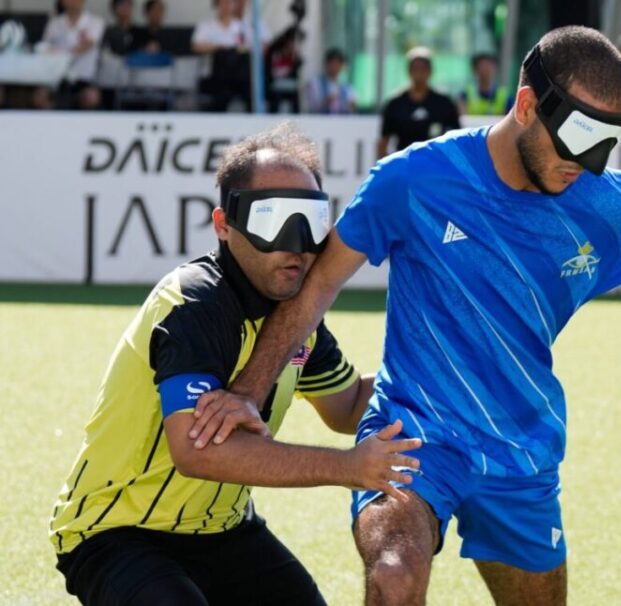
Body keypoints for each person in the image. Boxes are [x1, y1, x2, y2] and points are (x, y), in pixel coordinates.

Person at [196, 27, 621, 605]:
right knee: (394, 575)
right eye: (578, 138)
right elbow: (316, 290)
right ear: (529, 104)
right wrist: (249, 391)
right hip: (415, 438)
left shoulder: (606, 200)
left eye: (608, 142)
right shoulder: (414, 180)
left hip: (523, 452)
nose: (588, 165)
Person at [48, 124, 422, 605]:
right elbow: (198, 451)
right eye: (272, 218)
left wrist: (440, 369)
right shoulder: (193, 303)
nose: (298, 243)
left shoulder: (297, 319)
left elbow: (346, 405)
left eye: (310, 219)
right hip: (118, 532)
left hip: (224, 530)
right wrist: (349, 467)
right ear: (224, 224)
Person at [377, 46, 460, 158]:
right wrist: (389, 171)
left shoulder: (444, 102)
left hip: (436, 165)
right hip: (406, 166)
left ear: (430, 71)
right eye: (415, 68)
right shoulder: (395, 103)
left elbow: (456, 138)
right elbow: (383, 141)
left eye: (423, 68)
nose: (419, 73)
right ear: (408, 70)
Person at [40, 0, 104, 109]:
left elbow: (85, 46)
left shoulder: (95, 22)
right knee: (40, 96)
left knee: (92, 97)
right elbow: (44, 48)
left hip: (84, 79)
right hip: (56, 78)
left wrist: (60, 52)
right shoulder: (54, 23)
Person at [192, 0, 252, 111]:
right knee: (222, 56)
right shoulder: (206, 26)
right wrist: (218, 47)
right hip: (214, 75)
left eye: (230, 3)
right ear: (217, 5)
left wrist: (233, 49)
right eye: (223, 3)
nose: (227, 6)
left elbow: (243, 48)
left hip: (238, 75)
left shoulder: (240, 27)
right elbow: (197, 46)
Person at [459, 52, 513, 116]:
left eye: (488, 65)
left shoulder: (505, 96)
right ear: (474, 70)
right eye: (481, 66)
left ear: (495, 68)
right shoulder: (465, 95)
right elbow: (462, 118)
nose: (485, 70)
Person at [306, 47, 357, 114]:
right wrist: (326, 102)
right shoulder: (315, 84)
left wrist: (351, 106)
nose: (334, 67)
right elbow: (311, 107)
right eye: (332, 63)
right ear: (326, 64)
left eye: (338, 64)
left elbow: (352, 107)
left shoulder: (347, 87)